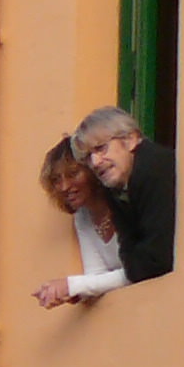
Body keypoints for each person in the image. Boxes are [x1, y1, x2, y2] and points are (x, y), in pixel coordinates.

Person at [29, 132, 133, 310]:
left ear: (93, 170)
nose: (64, 186)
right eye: (56, 180)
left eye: (73, 174)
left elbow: (141, 271)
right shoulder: (83, 217)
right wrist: (67, 293)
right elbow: (96, 276)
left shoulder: (124, 203)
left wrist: (72, 286)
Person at [78, 103, 174, 284]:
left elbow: (158, 259)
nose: (95, 162)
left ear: (130, 140)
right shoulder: (116, 187)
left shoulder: (155, 169)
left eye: (100, 148)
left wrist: (136, 264)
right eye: (88, 157)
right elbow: (128, 256)